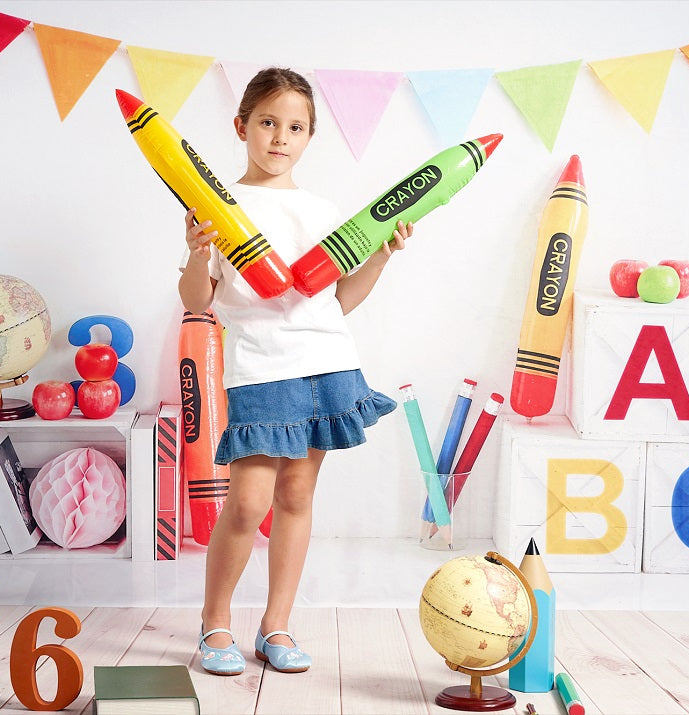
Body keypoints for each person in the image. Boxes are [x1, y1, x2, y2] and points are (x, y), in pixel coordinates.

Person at [178, 67, 413, 676]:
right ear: (242, 127)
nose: (281, 137)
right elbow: (197, 302)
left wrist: (382, 256)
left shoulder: (322, 210)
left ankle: (276, 625)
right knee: (247, 502)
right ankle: (215, 622)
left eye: (296, 127)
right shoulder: (217, 205)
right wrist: (198, 250)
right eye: (268, 123)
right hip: (261, 369)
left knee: (298, 495)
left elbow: (338, 300)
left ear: (309, 137)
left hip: (328, 363)